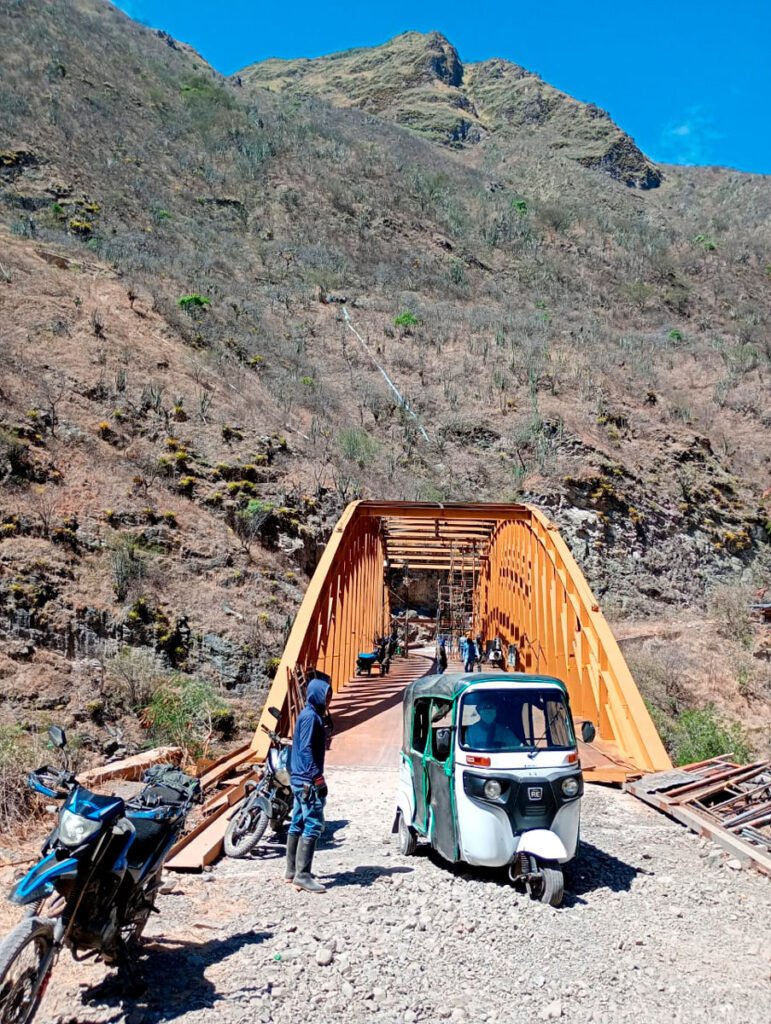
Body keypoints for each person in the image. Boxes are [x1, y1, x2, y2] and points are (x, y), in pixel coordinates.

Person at [285, 673, 332, 893]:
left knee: (298, 821)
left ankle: (291, 871)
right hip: (307, 781)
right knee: (313, 823)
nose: (329, 700)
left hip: (298, 779)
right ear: (317, 696)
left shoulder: (308, 715)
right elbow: (305, 751)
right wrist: (317, 779)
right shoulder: (311, 718)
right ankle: (302, 875)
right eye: (327, 696)